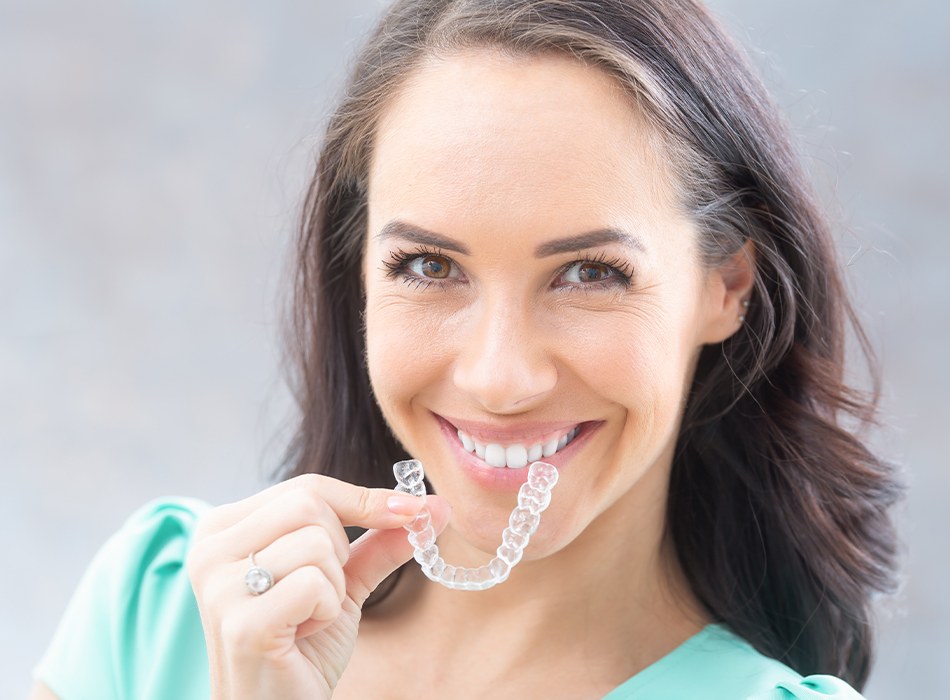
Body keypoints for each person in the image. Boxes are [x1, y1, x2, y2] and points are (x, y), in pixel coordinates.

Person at [31, 1, 901, 698]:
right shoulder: (157, 614)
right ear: (360, 275)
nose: (500, 376)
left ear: (726, 287)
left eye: (590, 273)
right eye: (429, 265)